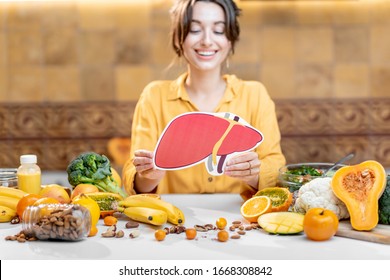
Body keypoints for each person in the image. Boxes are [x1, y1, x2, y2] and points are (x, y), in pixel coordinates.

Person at [122, 0, 285, 199]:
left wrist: (254, 175)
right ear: (177, 39)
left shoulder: (255, 95)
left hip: (239, 220)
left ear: (230, 40)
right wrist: (149, 176)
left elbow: (276, 166)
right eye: (194, 29)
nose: (207, 41)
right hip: (173, 222)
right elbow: (134, 178)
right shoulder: (154, 96)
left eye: (218, 31)